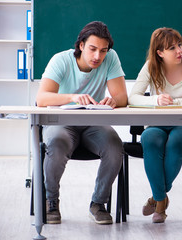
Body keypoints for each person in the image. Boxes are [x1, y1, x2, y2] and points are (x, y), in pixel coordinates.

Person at [36, 21, 128, 225]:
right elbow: (42, 98)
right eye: (93, 49)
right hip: (62, 122)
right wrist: (73, 97)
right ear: (81, 46)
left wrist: (114, 100)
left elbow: (122, 96)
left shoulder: (110, 58)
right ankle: (51, 201)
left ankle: (98, 203)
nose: (98, 57)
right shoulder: (61, 60)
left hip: (93, 123)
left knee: (114, 147)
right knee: (57, 144)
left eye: (103, 51)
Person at [128, 27, 182, 223]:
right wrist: (155, 100)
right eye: (172, 48)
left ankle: (157, 198)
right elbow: (133, 97)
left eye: (179, 45)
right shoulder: (150, 67)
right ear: (159, 53)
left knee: (176, 141)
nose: (179, 50)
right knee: (149, 138)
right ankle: (162, 199)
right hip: (157, 124)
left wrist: (175, 102)